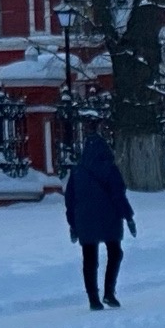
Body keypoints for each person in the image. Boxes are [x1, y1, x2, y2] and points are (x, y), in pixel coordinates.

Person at [64, 130, 136, 309]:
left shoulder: (77, 172)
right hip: (109, 218)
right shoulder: (110, 170)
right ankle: (109, 293)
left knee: (89, 259)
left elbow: (70, 200)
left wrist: (73, 225)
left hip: (84, 221)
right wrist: (129, 217)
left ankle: (93, 299)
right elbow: (119, 195)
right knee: (115, 252)